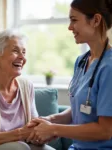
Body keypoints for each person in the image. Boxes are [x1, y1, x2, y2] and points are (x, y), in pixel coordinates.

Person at [27, 0, 112, 149]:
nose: (69, 27)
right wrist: (50, 119)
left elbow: (105, 131)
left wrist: (53, 129)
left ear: (96, 20)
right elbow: (80, 109)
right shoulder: (81, 61)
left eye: (74, 20)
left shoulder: (109, 67)